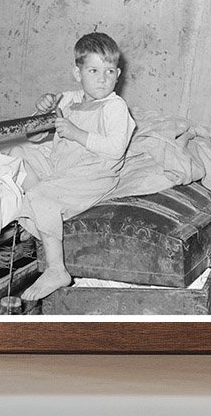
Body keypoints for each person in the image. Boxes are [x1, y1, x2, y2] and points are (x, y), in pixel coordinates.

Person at [17, 32, 135, 301]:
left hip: (94, 172)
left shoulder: (115, 107)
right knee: (17, 159)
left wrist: (76, 132)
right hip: (63, 166)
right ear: (77, 72)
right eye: (93, 70)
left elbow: (116, 148)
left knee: (41, 196)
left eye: (109, 71)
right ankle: (41, 220)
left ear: (118, 74)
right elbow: (33, 136)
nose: (102, 78)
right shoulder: (68, 100)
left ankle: (56, 269)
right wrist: (41, 111)